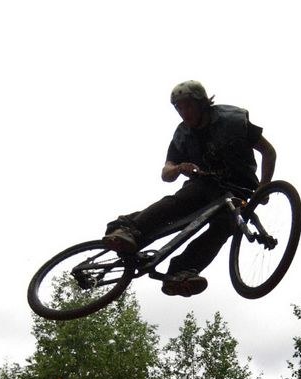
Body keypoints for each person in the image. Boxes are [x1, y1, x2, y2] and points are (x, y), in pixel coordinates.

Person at [102, 80, 276, 297]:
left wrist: (264, 186)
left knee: (226, 226)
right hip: (205, 184)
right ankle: (127, 229)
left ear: (202, 103)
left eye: (188, 106)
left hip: (239, 188)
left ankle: (181, 272)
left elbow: (268, 152)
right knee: (182, 202)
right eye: (179, 108)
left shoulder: (233, 121)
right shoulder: (183, 134)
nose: (184, 112)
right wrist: (177, 168)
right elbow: (166, 172)